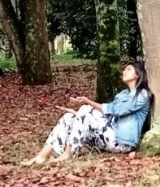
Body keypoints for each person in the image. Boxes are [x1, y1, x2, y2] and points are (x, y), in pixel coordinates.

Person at [20, 61, 153, 166]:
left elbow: (117, 110)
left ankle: (68, 153)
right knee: (68, 116)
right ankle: (43, 155)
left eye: (128, 69)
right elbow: (107, 115)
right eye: (124, 69)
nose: (124, 71)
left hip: (122, 142)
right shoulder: (123, 94)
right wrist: (76, 114)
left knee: (86, 108)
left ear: (138, 74)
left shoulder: (142, 95)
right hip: (108, 134)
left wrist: (89, 102)